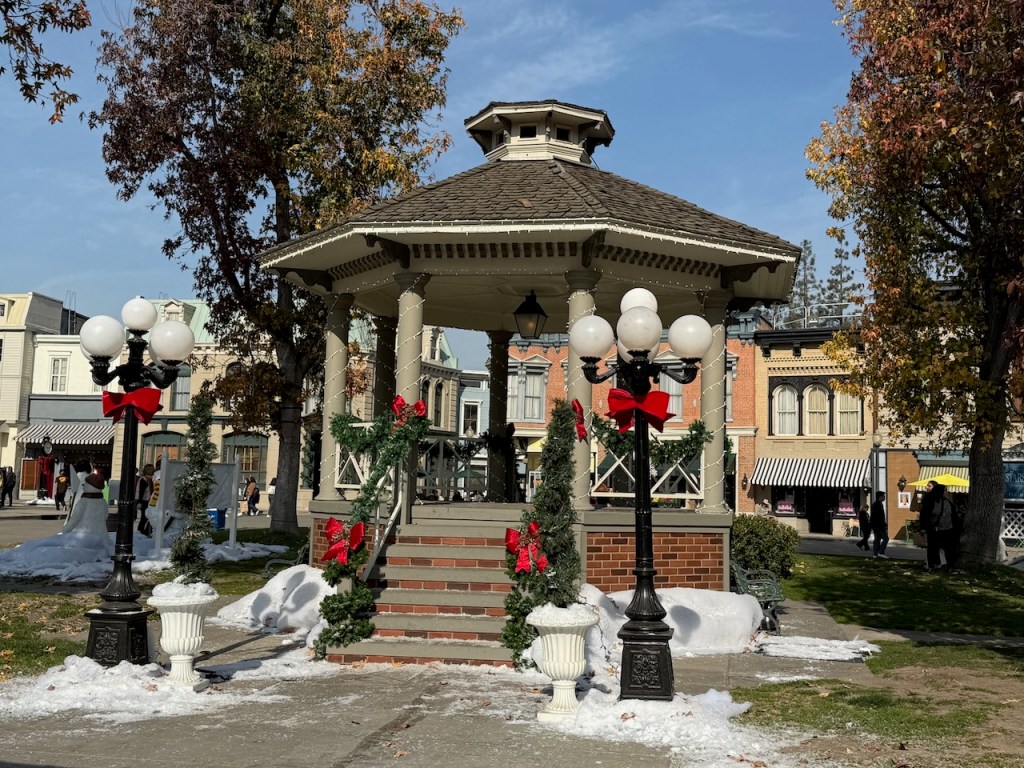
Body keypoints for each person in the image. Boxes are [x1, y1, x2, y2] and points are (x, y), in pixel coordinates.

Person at [930, 482, 960, 573]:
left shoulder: (948, 503)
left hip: (948, 529)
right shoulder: (933, 502)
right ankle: (936, 564)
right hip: (937, 529)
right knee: (935, 549)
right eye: (945, 491)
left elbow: (953, 516)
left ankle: (950, 566)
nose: (946, 492)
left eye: (946, 491)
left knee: (949, 549)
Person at [918, 481, 942, 571]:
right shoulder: (936, 498)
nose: (927, 487)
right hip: (935, 526)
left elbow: (924, 514)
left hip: (931, 525)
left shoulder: (929, 498)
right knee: (934, 546)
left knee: (932, 546)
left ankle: (932, 564)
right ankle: (936, 563)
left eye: (929, 486)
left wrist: (923, 527)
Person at [135, 463, 155, 536]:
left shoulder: (153, 478)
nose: (150, 470)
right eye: (149, 469)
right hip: (144, 501)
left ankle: (146, 531)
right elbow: (140, 491)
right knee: (144, 517)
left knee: (150, 517)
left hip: (152, 500)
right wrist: (139, 502)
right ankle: (141, 531)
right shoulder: (143, 479)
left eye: (151, 469)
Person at [870, 491, 889, 559]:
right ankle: (880, 552)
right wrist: (883, 524)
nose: (884, 497)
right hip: (879, 525)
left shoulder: (876, 504)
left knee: (877, 539)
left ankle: (875, 554)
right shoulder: (878, 505)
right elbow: (878, 516)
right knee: (886, 538)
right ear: (880, 497)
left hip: (876, 525)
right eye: (883, 496)